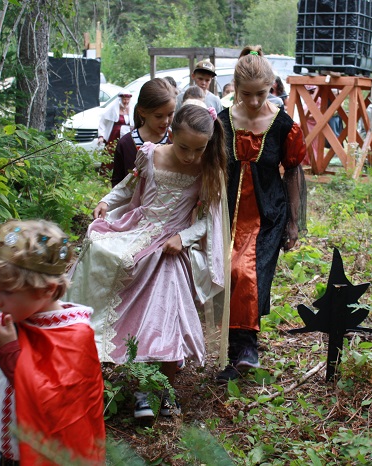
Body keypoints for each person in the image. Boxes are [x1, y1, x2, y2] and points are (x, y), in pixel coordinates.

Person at [67, 103, 230, 419]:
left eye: (198, 149)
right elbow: (127, 187)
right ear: (171, 133)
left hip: (170, 248)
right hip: (138, 231)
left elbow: (208, 221)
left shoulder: (208, 170)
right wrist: (105, 201)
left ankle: (158, 391)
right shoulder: (151, 154)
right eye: (184, 147)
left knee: (165, 316)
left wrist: (183, 237)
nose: (190, 156)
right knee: (101, 257)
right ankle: (89, 369)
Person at [0, 220, 105, 466]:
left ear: (47, 290)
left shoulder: (75, 335)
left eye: (7, 291)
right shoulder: (3, 326)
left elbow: (53, 406)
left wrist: (8, 350)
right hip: (0, 454)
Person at [216, 45, 307, 383]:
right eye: (247, 94)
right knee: (226, 275)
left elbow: (293, 171)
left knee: (246, 272)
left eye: (262, 93)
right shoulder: (222, 122)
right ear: (236, 89)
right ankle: (232, 350)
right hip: (225, 213)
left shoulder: (283, 126)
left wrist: (293, 222)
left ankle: (246, 348)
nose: (254, 101)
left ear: (271, 88)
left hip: (268, 213)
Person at [110, 78, 176, 186]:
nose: (166, 121)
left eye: (170, 114)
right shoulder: (126, 144)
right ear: (142, 112)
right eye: (158, 116)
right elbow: (117, 182)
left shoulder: (175, 141)